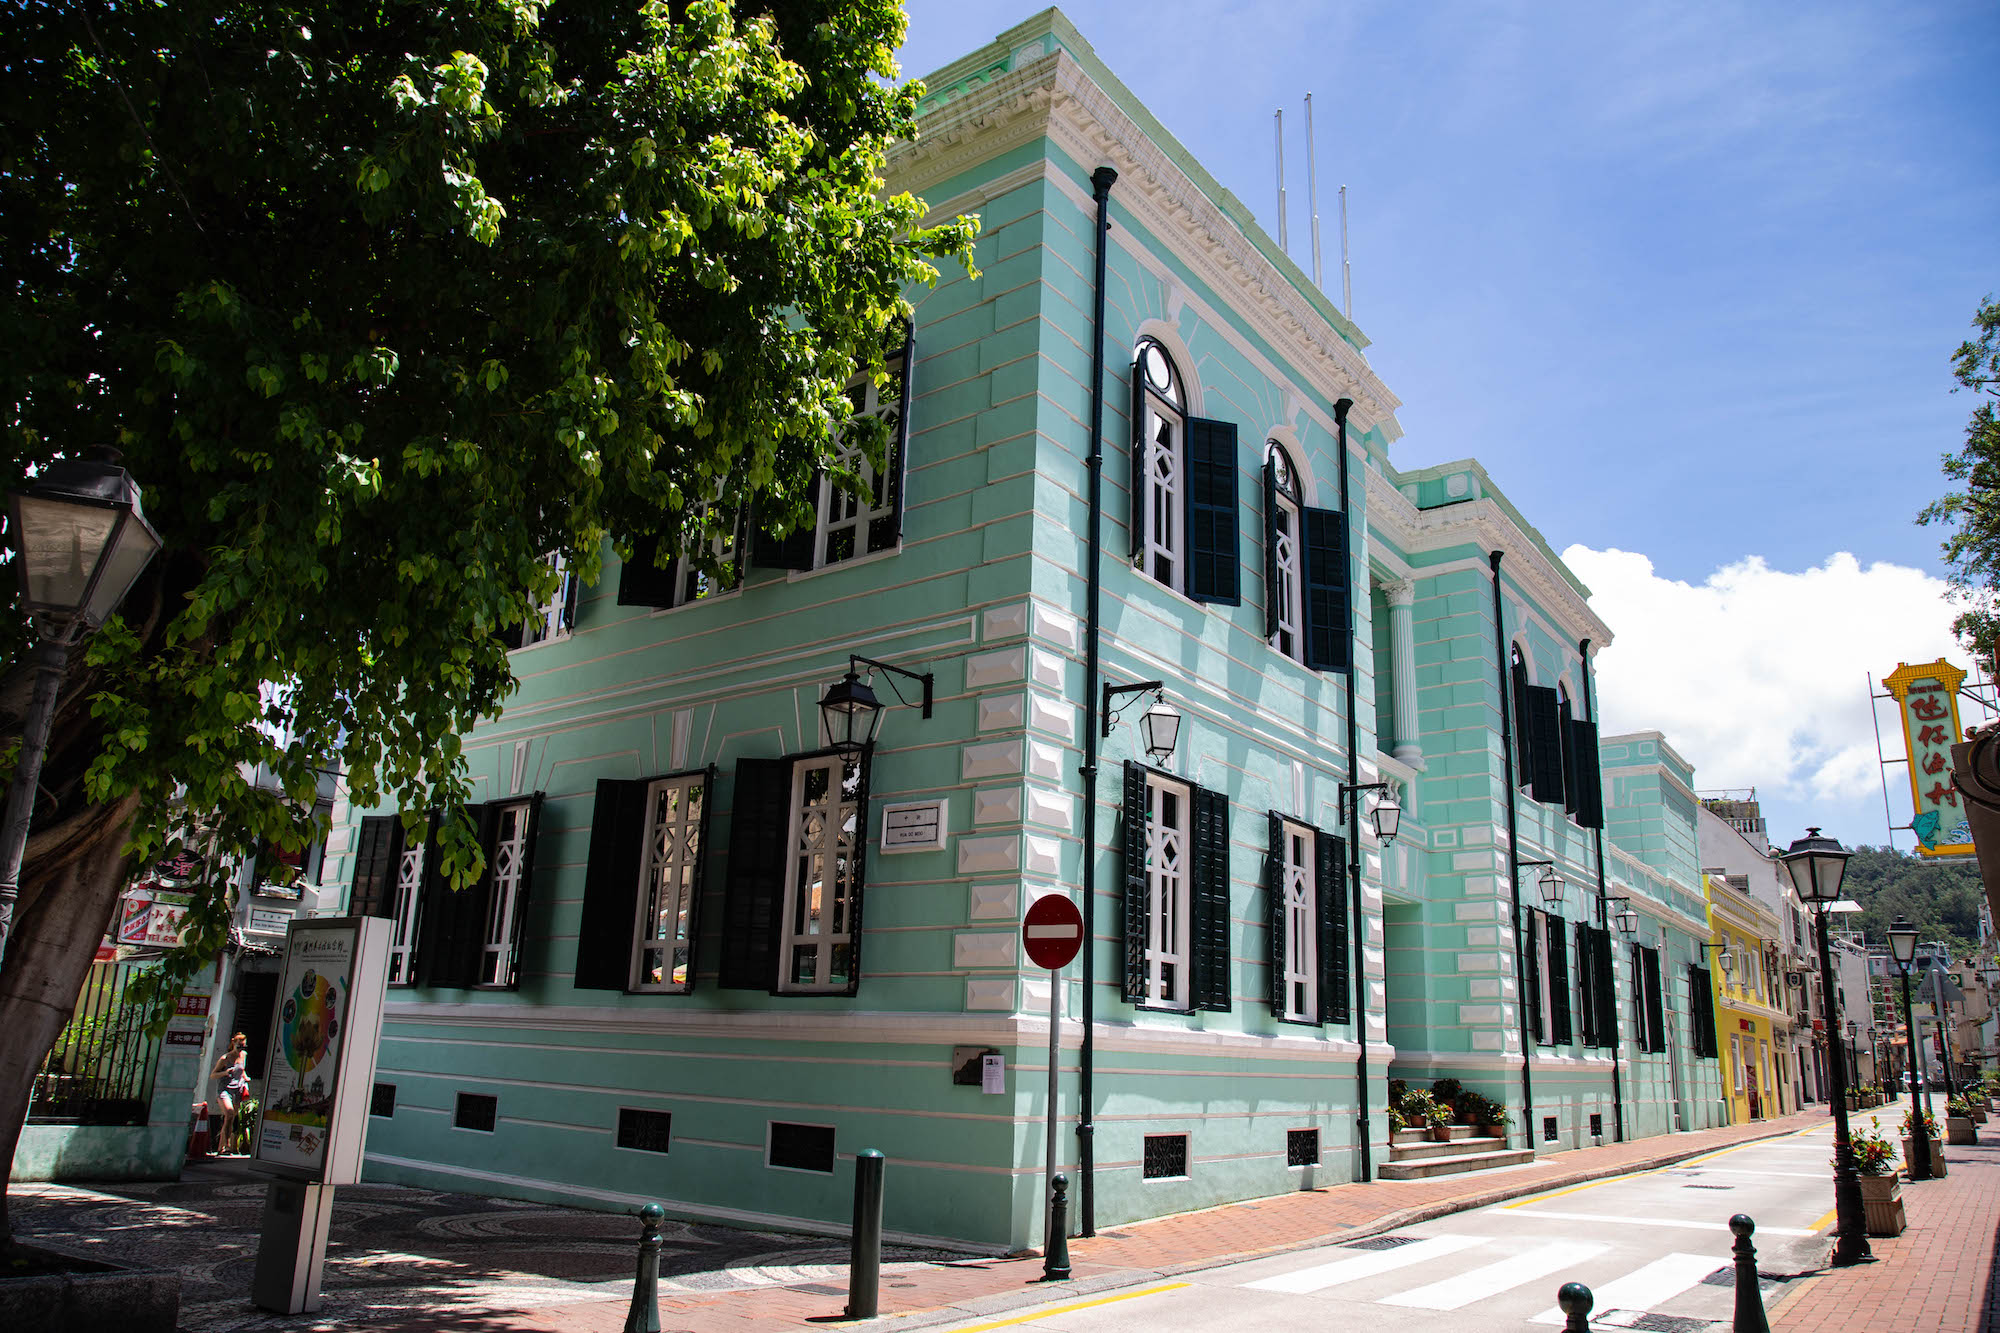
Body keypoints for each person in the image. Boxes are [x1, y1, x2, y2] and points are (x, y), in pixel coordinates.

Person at [210, 1033, 252, 1155]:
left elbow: (242, 1070)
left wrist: (246, 1077)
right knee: (228, 1113)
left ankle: (221, 1147)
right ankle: (226, 1146)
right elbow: (213, 1075)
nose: (241, 1049)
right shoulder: (225, 1058)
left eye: (243, 1047)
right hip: (225, 1090)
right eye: (239, 1047)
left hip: (237, 1090)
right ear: (233, 1044)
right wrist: (225, 1073)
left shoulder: (244, 1055)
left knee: (230, 1118)